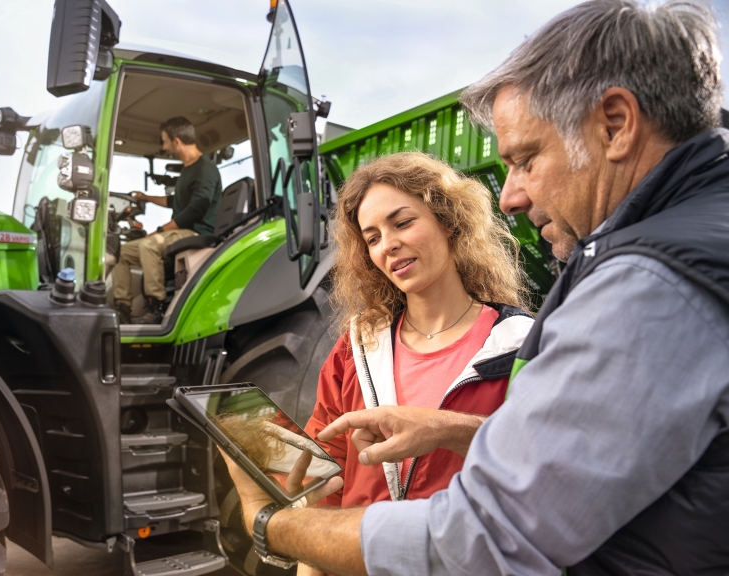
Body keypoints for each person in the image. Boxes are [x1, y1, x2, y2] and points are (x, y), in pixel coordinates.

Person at [220, 1, 729, 574]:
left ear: (615, 124)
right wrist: (452, 429)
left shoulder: (641, 285)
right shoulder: (354, 348)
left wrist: (271, 522)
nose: (511, 195)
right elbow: (581, 455)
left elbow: (487, 536)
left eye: (526, 158)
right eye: (369, 237)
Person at [296, 153, 533, 576]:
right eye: (371, 238)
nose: (387, 245)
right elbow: (324, 484)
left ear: (448, 220)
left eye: (402, 223)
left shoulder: (519, 345)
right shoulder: (355, 349)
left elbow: (546, 473)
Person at [112, 117, 222, 324]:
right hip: (179, 232)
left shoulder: (205, 169)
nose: (164, 147)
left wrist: (159, 230)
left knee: (149, 245)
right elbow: (175, 201)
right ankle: (122, 308)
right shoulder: (188, 169)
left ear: (177, 141)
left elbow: (195, 210)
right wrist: (146, 198)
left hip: (196, 233)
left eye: (165, 141)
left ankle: (156, 307)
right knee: (121, 252)